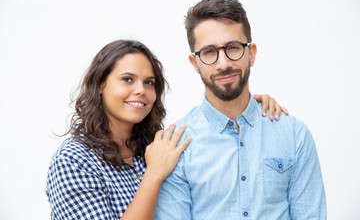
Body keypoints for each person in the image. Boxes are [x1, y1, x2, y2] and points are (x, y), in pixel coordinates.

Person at [46, 39, 285, 219]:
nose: (140, 90)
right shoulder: (73, 160)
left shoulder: (154, 146)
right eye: (127, 79)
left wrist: (248, 109)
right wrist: (154, 175)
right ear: (100, 84)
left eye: (149, 82)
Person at [155, 0, 326, 220]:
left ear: (251, 53)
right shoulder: (175, 146)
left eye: (233, 48)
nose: (223, 63)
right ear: (194, 63)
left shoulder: (294, 134)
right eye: (209, 52)